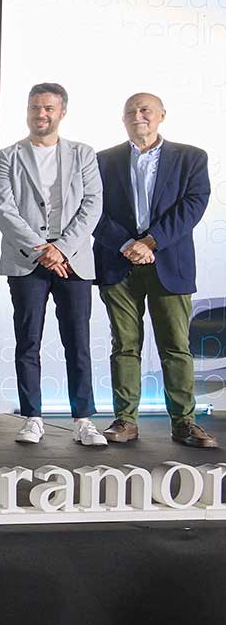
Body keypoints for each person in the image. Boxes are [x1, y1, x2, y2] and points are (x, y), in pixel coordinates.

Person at [93, 92, 215, 448]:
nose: (138, 116)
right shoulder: (102, 161)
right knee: (124, 346)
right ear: (123, 119)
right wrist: (126, 244)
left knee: (176, 346)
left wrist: (151, 242)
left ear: (162, 115)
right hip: (117, 263)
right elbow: (91, 208)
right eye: (131, 111)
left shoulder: (191, 157)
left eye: (145, 109)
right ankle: (125, 420)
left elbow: (194, 204)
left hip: (170, 263)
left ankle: (184, 423)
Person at [0, 82, 107, 446]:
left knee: (78, 341)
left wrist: (63, 249)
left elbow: (93, 204)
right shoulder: (8, 156)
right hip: (27, 261)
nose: (40, 114)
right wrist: (42, 250)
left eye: (48, 108)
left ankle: (83, 419)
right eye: (34, 107)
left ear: (62, 112)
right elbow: (3, 209)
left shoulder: (83, 153)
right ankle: (32, 417)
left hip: (73, 262)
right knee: (28, 341)